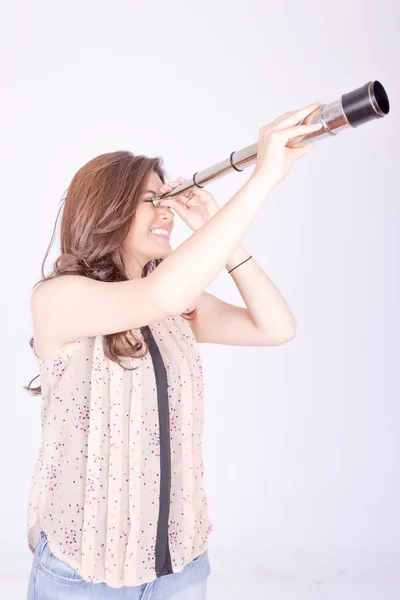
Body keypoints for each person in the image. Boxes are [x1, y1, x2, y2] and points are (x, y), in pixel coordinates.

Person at [24, 102, 321, 599]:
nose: (166, 210)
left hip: (181, 566)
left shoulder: (175, 304)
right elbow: (160, 295)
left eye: (168, 196)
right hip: (85, 573)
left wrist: (218, 232)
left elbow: (275, 327)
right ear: (107, 209)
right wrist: (261, 180)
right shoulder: (59, 299)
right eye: (150, 200)